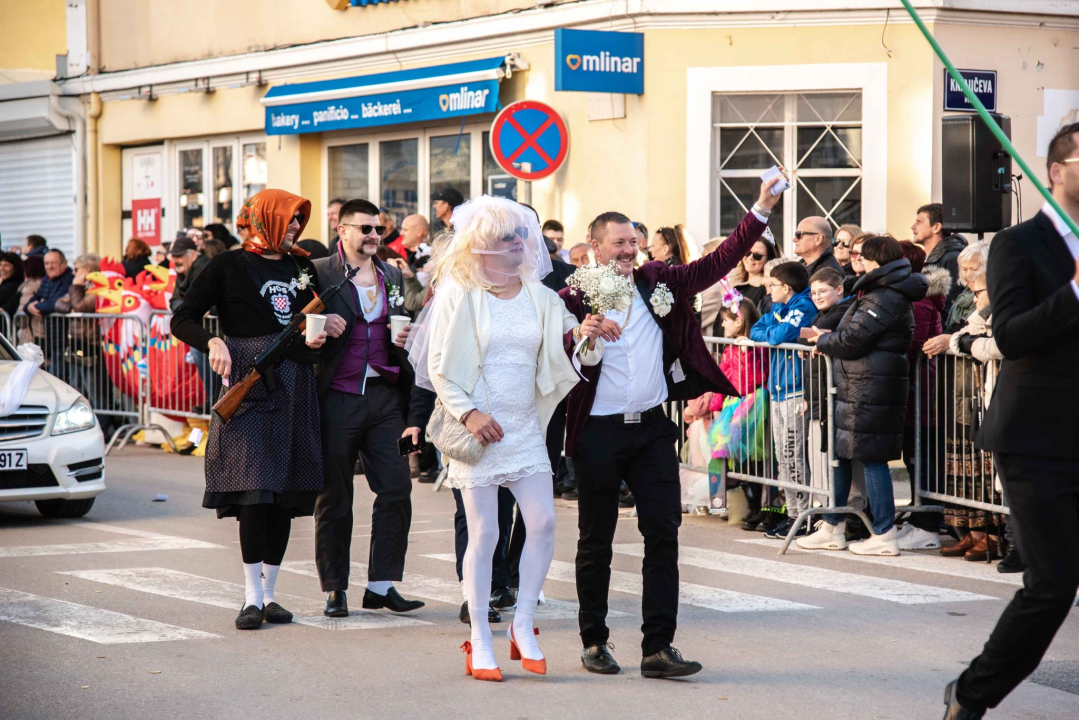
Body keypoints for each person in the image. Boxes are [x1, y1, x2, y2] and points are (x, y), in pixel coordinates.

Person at [558, 173, 781, 679]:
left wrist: (762, 206)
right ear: (594, 247)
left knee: (664, 532)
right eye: (619, 244)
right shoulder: (573, 295)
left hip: (653, 430)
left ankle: (658, 646)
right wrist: (580, 332)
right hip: (597, 431)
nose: (629, 251)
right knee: (596, 539)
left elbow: (717, 262)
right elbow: (552, 351)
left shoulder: (658, 281)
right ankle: (594, 640)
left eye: (634, 242)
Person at [419, 195, 601, 682]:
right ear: (480, 245)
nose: (520, 244)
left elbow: (576, 349)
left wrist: (589, 331)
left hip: (524, 428)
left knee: (542, 524)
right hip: (479, 429)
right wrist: (470, 413)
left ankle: (523, 623)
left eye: (522, 235)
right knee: (486, 534)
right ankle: (479, 635)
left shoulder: (542, 295)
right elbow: (439, 367)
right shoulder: (460, 292)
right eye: (507, 237)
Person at [941, 122, 1079, 720]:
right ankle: (973, 694)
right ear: (1057, 172)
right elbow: (1014, 334)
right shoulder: (1019, 244)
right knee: (1052, 585)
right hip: (1038, 437)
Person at [171, 189, 329, 630]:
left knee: (281, 495)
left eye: (300, 219)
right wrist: (214, 342)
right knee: (255, 492)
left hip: (295, 383)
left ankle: (272, 595)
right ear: (266, 219)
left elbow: (309, 323)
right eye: (290, 219)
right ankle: (251, 597)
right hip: (250, 381)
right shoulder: (228, 264)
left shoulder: (301, 265)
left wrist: (323, 330)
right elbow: (182, 317)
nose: (297, 227)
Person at [312, 198, 424, 618]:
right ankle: (335, 588)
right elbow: (297, 325)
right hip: (338, 396)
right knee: (335, 497)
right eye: (364, 229)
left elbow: (400, 320)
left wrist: (404, 337)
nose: (374, 235)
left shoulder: (391, 273)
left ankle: (381, 584)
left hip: (384, 397)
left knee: (396, 488)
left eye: (377, 229)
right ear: (342, 231)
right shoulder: (320, 272)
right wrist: (319, 329)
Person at [799, 235, 927, 556]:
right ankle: (833, 524)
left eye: (862, 256)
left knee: (871, 457)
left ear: (876, 260)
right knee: (841, 455)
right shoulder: (875, 290)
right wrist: (832, 338)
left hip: (873, 385)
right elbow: (846, 332)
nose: (857, 260)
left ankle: (884, 533)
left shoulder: (886, 295)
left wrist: (823, 342)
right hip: (858, 383)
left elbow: (853, 338)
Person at [750, 261, 817, 540]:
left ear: (786, 287)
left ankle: (803, 516)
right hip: (776, 390)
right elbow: (756, 330)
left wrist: (772, 337)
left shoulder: (803, 306)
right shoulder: (777, 307)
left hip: (794, 391)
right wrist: (771, 336)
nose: (768, 287)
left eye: (773, 284)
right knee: (783, 458)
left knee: (793, 457)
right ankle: (792, 515)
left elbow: (779, 336)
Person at [896, 241, 951, 551]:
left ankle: (927, 525)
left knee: (921, 458)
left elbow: (910, 345)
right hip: (915, 390)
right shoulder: (913, 297)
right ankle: (919, 519)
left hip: (920, 390)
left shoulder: (918, 301)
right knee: (913, 455)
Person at [801, 267, 857, 502]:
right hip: (817, 396)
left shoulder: (844, 310)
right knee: (819, 459)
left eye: (822, 291)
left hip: (832, 396)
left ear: (839, 289)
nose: (817, 297)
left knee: (832, 460)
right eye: (813, 293)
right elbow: (802, 336)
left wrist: (819, 337)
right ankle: (825, 510)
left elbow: (810, 334)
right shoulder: (820, 315)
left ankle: (838, 511)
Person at [912, 202, 967, 313]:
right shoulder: (922, 258)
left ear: (936, 227)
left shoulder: (953, 258)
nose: (913, 226)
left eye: (919, 222)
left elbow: (953, 303)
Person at [726, 235, 779, 316]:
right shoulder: (731, 281)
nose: (750, 258)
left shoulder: (767, 288)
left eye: (758, 256)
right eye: (747, 252)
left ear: (769, 259)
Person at [16, 255, 44, 345]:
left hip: (30, 330)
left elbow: (22, 312)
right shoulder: (43, 283)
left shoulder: (30, 287)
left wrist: (18, 320)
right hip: (37, 329)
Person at [0, 252, 25, 316]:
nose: (2, 269)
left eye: (6, 265)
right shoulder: (4, 284)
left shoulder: (14, 286)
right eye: (0, 265)